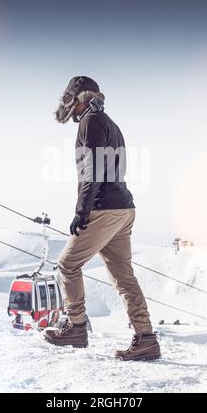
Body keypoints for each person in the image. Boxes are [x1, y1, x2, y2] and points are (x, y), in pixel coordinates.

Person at [44, 76, 161, 361]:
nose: (68, 105)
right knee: (123, 276)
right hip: (124, 208)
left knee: (68, 265)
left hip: (104, 208)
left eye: (71, 98)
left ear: (81, 97)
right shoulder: (111, 123)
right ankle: (146, 338)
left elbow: (92, 169)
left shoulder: (91, 121)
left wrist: (82, 210)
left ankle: (76, 328)